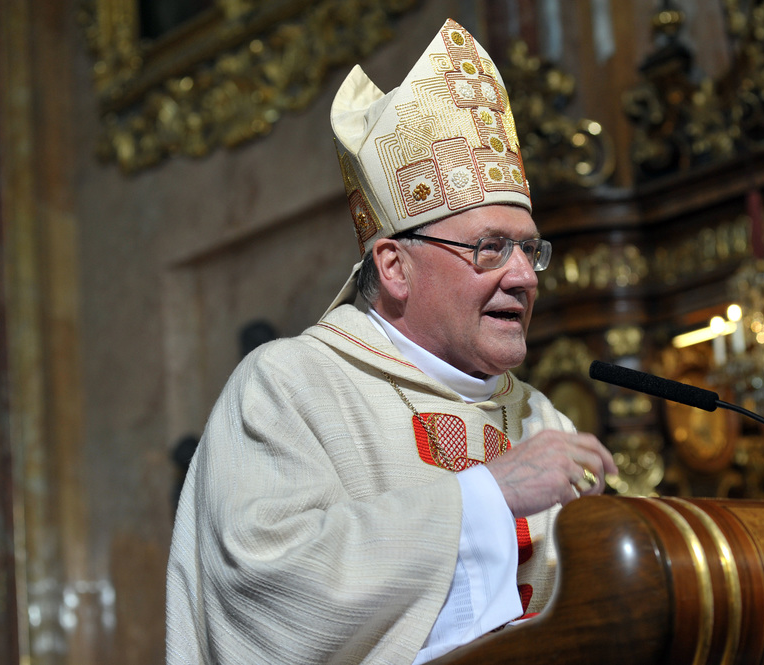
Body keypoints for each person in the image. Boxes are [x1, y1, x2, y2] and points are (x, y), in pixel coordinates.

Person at [165, 18, 616, 665]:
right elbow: (263, 591)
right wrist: (489, 494)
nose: (522, 274)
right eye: (490, 248)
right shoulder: (288, 387)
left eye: (528, 248)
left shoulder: (541, 417)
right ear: (393, 265)